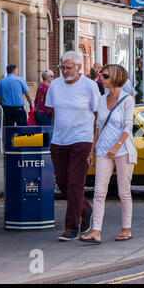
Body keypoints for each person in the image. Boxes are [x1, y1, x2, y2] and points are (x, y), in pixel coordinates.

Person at [45, 51, 100, 241]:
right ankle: (85, 208)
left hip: (82, 139)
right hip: (59, 140)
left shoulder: (90, 86)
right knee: (62, 181)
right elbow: (53, 112)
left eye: (68, 67)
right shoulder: (54, 85)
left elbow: (97, 117)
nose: (64, 71)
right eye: (62, 67)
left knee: (76, 183)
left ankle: (72, 228)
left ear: (78, 67)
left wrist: (92, 146)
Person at [80, 64, 137, 244]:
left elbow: (128, 126)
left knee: (123, 192)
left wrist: (117, 146)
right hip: (104, 148)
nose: (101, 79)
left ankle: (126, 228)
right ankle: (96, 231)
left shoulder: (127, 100)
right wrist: (92, 149)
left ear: (114, 77)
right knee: (99, 192)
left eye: (104, 76)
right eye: (101, 76)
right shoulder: (101, 99)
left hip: (123, 149)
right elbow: (98, 126)